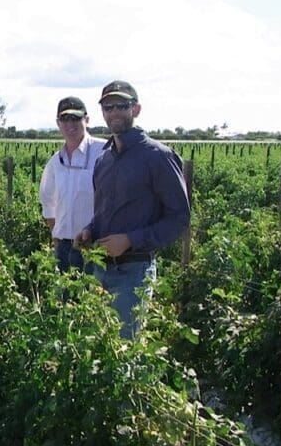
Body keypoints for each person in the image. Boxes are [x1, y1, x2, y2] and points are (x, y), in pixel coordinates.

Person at [75, 80, 190, 338]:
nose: (114, 112)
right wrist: (89, 230)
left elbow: (179, 218)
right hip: (100, 268)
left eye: (121, 106)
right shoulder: (104, 159)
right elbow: (103, 212)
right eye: (108, 106)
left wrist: (129, 240)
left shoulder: (157, 156)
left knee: (123, 351)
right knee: (95, 345)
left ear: (135, 109)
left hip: (134, 273)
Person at [39, 96, 105, 273]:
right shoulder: (55, 162)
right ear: (58, 123)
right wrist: (58, 237)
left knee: (93, 298)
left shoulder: (103, 152)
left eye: (76, 118)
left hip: (94, 247)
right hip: (64, 247)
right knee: (64, 299)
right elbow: (48, 201)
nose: (70, 124)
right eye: (64, 119)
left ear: (87, 120)